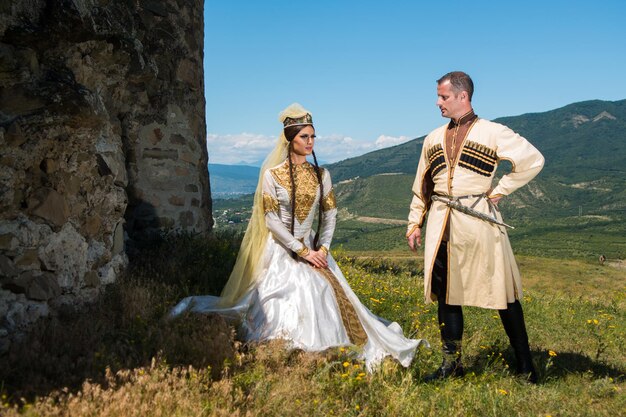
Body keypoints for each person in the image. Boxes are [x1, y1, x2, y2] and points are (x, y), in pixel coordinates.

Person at [172, 103, 427, 371]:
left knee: (325, 290)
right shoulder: (273, 175)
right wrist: (301, 251)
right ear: (289, 138)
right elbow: (271, 220)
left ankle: (326, 343)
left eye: (313, 136)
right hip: (281, 248)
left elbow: (330, 215)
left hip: (313, 245)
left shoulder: (321, 175)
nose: (310, 142)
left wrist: (323, 249)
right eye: (304, 136)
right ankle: (283, 344)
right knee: (290, 292)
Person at [406, 71, 544, 383]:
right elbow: (422, 185)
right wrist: (415, 221)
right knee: (445, 294)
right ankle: (451, 365)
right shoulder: (432, 138)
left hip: (478, 219)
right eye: (439, 97)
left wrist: (500, 190)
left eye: (444, 97)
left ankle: (526, 367)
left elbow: (533, 160)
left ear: (462, 96)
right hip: (442, 220)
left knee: (503, 293)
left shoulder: (494, 132)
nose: (438, 103)